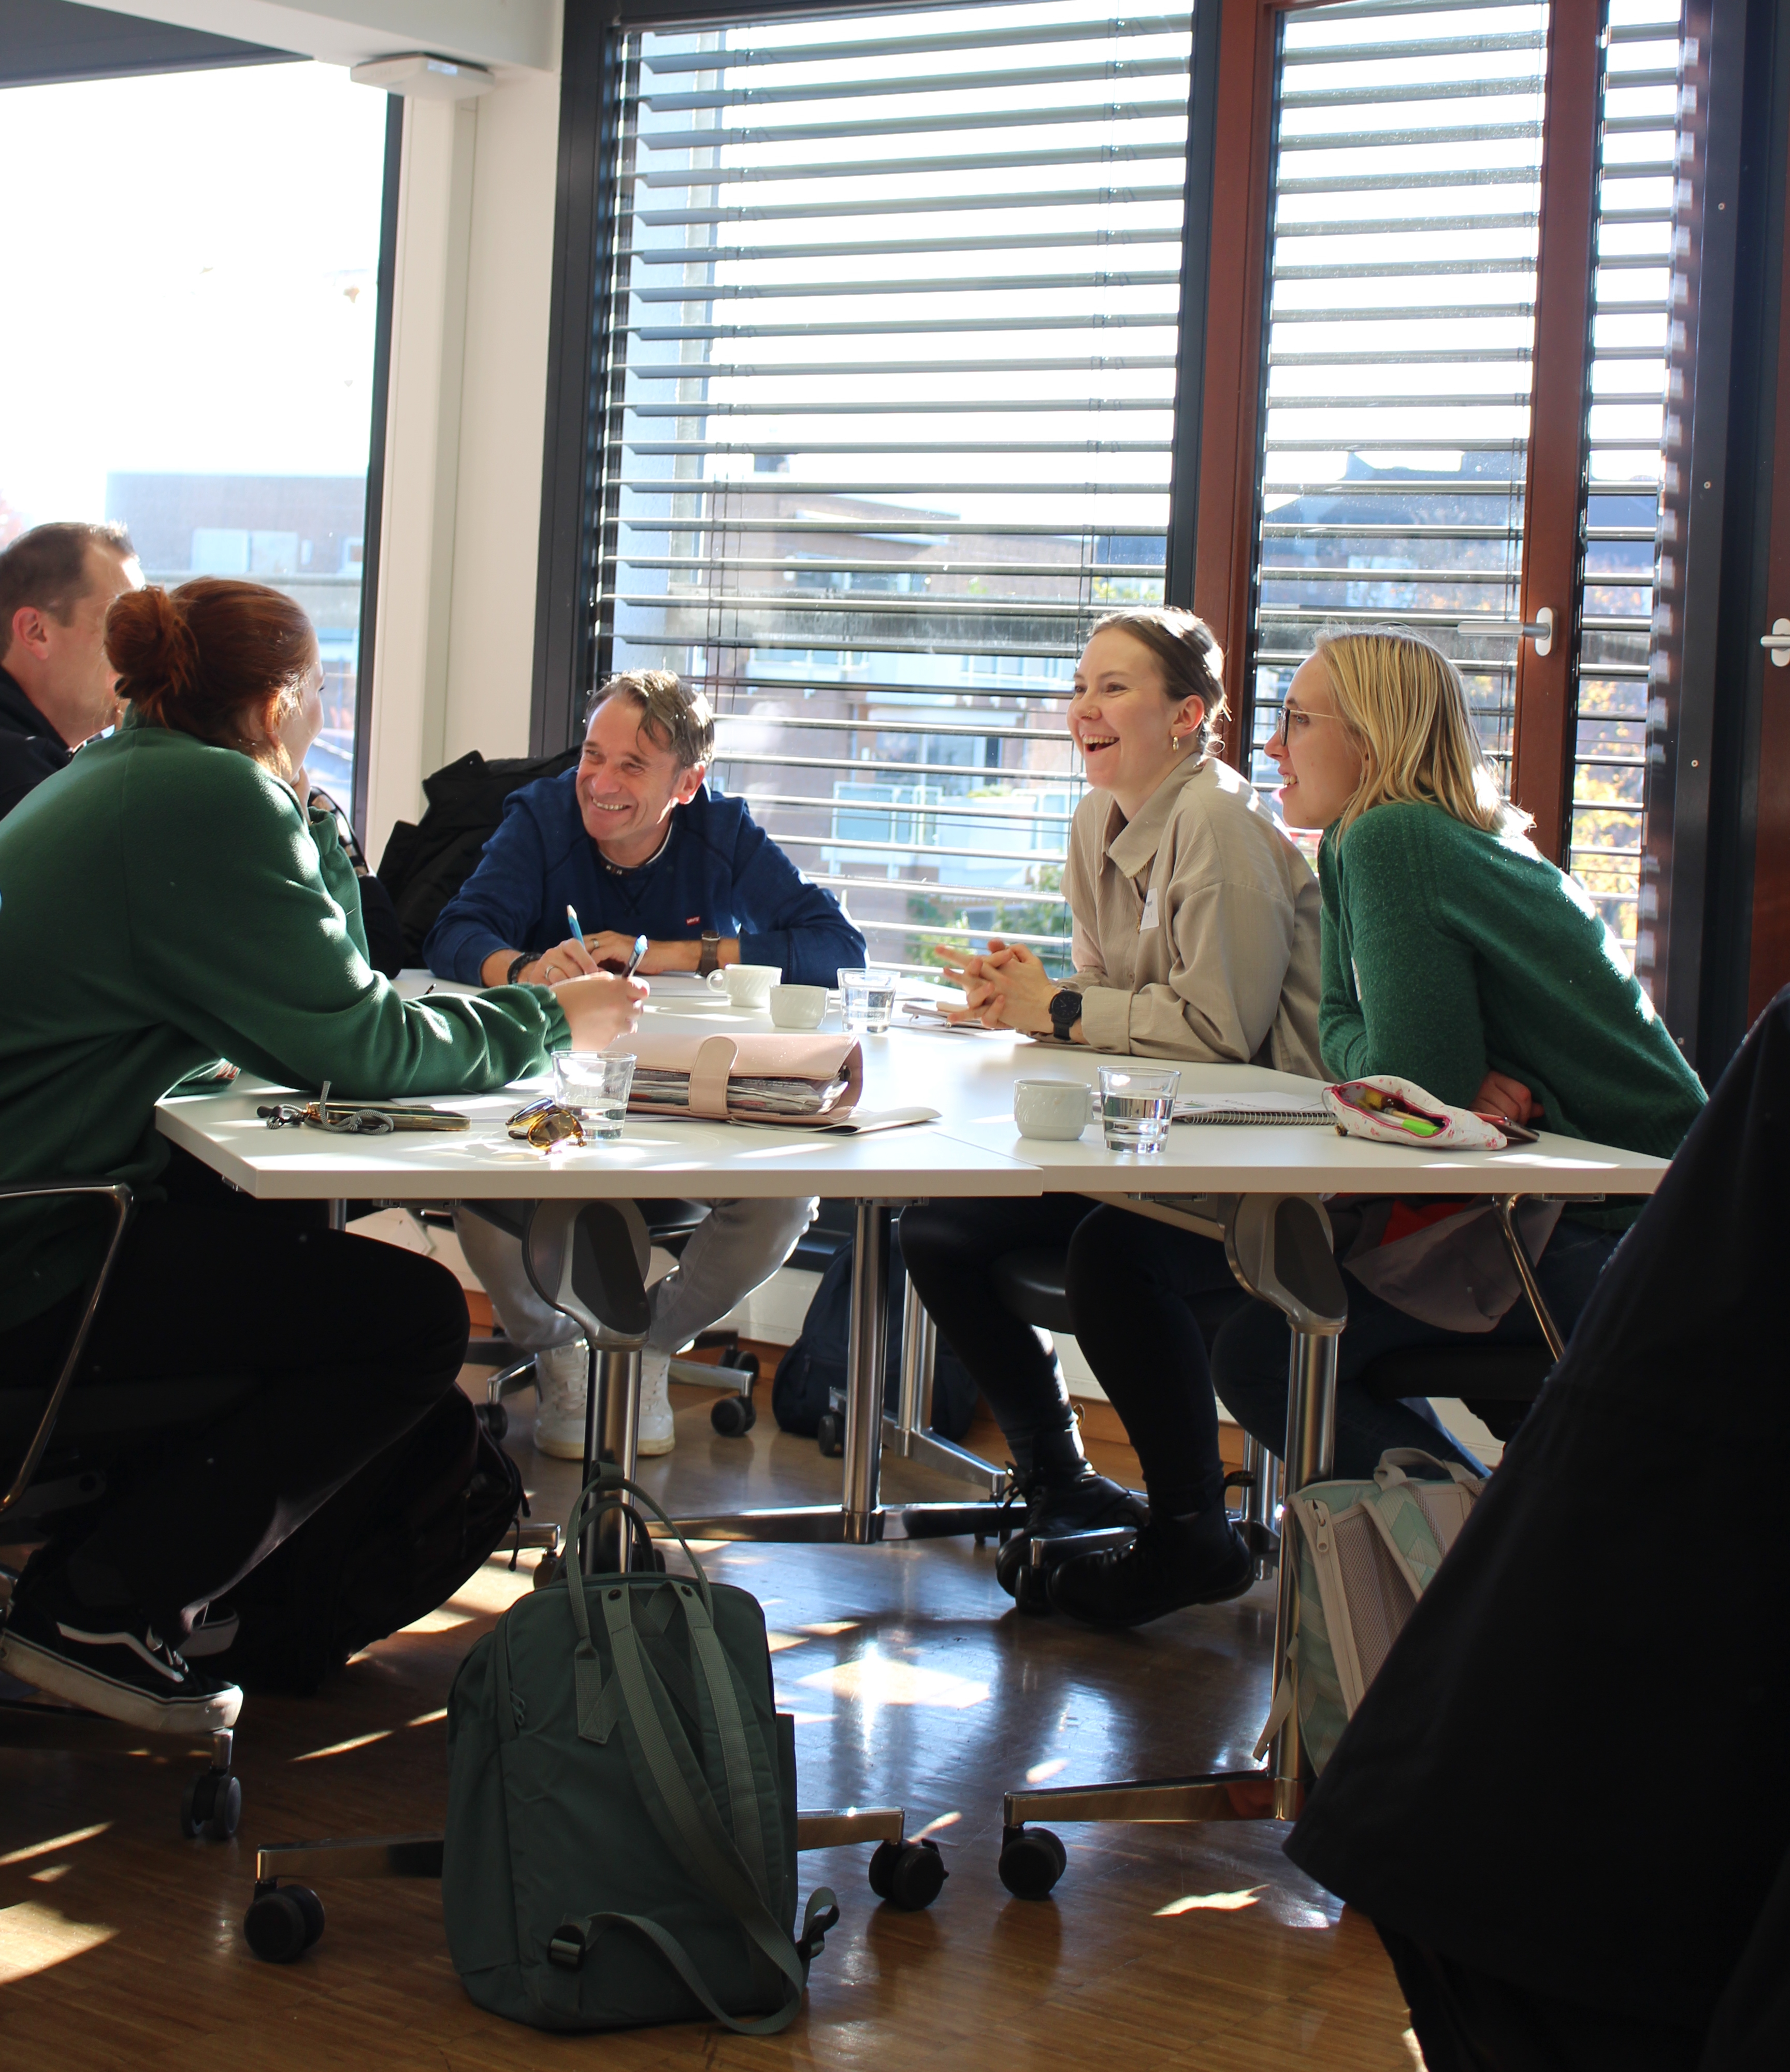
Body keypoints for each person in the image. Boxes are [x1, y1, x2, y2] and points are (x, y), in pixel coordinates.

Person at [0, 577, 643, 1734]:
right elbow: (363, 1040)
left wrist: (311, 816)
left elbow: (328, 986)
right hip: (37, 1257)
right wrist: (558, 1021)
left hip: (41, 1207)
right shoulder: (208, 795)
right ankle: (105, 1603)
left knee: (283, 1249)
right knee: (407, 1320)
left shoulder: (113, 770)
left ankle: (147, 1579)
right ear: (284, 697)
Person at [1283, 994, 1786, 2072]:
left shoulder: (1388, 845)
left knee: (1258, 1340)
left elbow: (1396, 1066)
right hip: (1594, 1224)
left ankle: (1439, 1531)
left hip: (1565, 1232)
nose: (1279, 804)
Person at [903, 608, 1325, 1628]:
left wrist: (1059, 1007)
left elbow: (1220, 1031)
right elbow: (1101, 1000)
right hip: (1157, 1136)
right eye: (1081, 685)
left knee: (1110, 1257)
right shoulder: (1099, 819)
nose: (1083, 708)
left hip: (1261, 1156)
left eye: (1115, 688)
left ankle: (1192, 1534)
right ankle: (1061, 1479)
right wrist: (1027, 998)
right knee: (942, 1228)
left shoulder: (1219, 825)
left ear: (1187, 716)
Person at [1209, 626, 1707, 1483]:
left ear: (1368, 736)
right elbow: (1356, 1045)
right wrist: (1436, 1072)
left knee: (1266, 1353)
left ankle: (1477, 1570)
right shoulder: (1392, 837)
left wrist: (1427, 1073)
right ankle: (1492, 1557)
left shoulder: (1391, 839)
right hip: (1628, 1215)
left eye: (1296, 719)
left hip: (1609, 1228)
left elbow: (1406, 1085)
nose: (1270, 742)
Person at [427, 669, 864, 1458]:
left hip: (689, 1099)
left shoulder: (720, 832)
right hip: (558, 1091)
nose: (599, 782)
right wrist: (528, 970)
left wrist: (675, 955)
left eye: (633, 766)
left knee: (788, 1194)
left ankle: (650, 1347)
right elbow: (455, 934)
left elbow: (837, 949)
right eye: (593, 755)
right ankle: (559, 1352)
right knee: (471, 1172)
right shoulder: (543, 814)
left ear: (687, 782)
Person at [0, 519, 142, 821]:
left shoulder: (69, 759)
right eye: (120, 627)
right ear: (35, 631)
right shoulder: (20, 783)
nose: (141, 650)